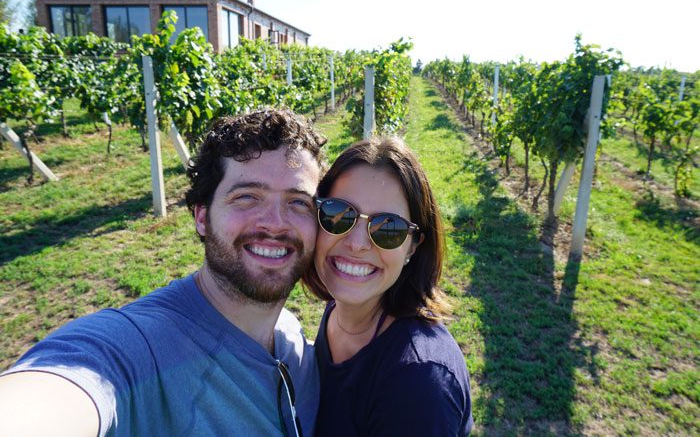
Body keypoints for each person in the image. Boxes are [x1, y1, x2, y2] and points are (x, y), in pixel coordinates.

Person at [0, 109, 326, 437]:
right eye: (246, 197)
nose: (275, 223)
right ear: (202, 216)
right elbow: (52, 395)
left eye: (298, 203)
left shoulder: (291, 336)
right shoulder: (136, 349)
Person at [303, 136, 473, 436]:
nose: (356, 244)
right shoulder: (339, 310)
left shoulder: (417, 382)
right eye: (338, 214)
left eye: (388, 229)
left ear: (412, 248)